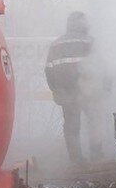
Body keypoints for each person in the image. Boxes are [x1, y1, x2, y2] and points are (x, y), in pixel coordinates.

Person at [45, 11, 104, 165]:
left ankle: (76, 160)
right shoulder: (90, 42)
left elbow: (49, 70)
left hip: (66, 93)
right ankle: (97, 156)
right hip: (89, 91)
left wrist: (56, 90)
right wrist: (104, 88)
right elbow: (102, 68)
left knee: (71, 126)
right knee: (94, 121)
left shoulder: (56, 45)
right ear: (84, 24)